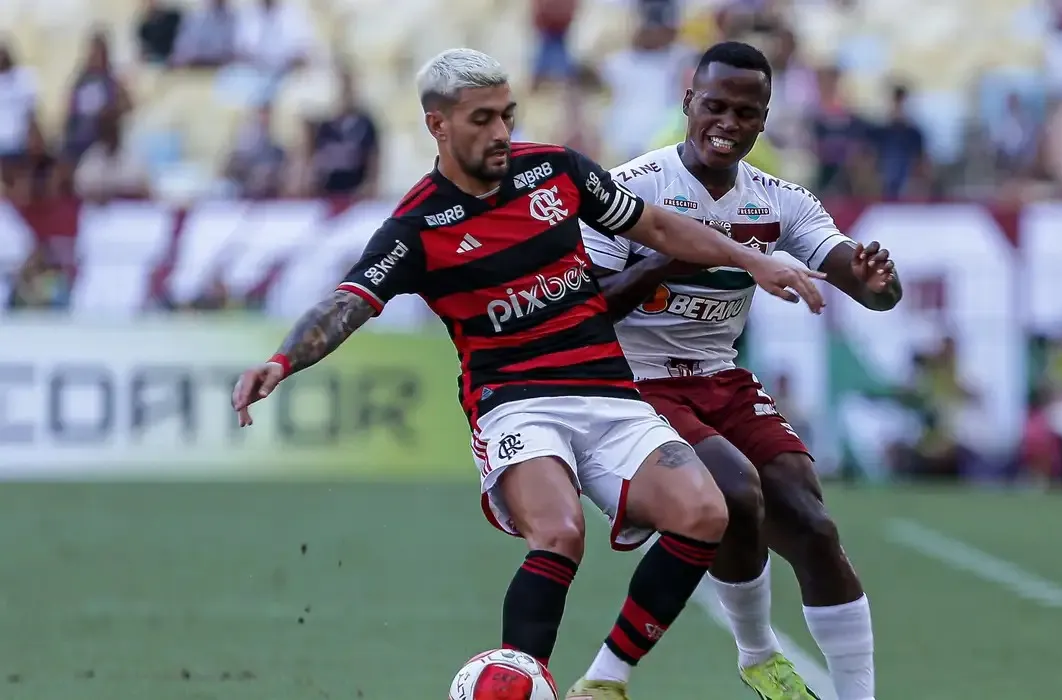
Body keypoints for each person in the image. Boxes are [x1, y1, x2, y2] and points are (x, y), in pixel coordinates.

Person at [230, 48, 827, 700]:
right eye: (481, 119)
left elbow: (657, 224)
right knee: (561, 532)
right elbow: (347, 303)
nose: (500, 133)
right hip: (517, 404)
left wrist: (755, 260)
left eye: (506, 116)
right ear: (439, 126)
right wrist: (282, 360)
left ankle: (604, 682)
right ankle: (520, 678)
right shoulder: (417, 225)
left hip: (608, 392)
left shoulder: (558, 171)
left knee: (705, 512)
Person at [581, 42, 901, 700]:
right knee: (735, 489)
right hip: (635, 380)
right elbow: (584, 313)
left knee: (813, 524)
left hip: (719, 377)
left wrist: (876, 286)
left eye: (746, 112)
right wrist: (672, 255)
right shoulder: (630, 190)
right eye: (715, 106)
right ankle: (759, 653)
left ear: (764, 119)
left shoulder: (778, 200)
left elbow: (857, 278)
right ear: (687, 102)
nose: (727, 123)